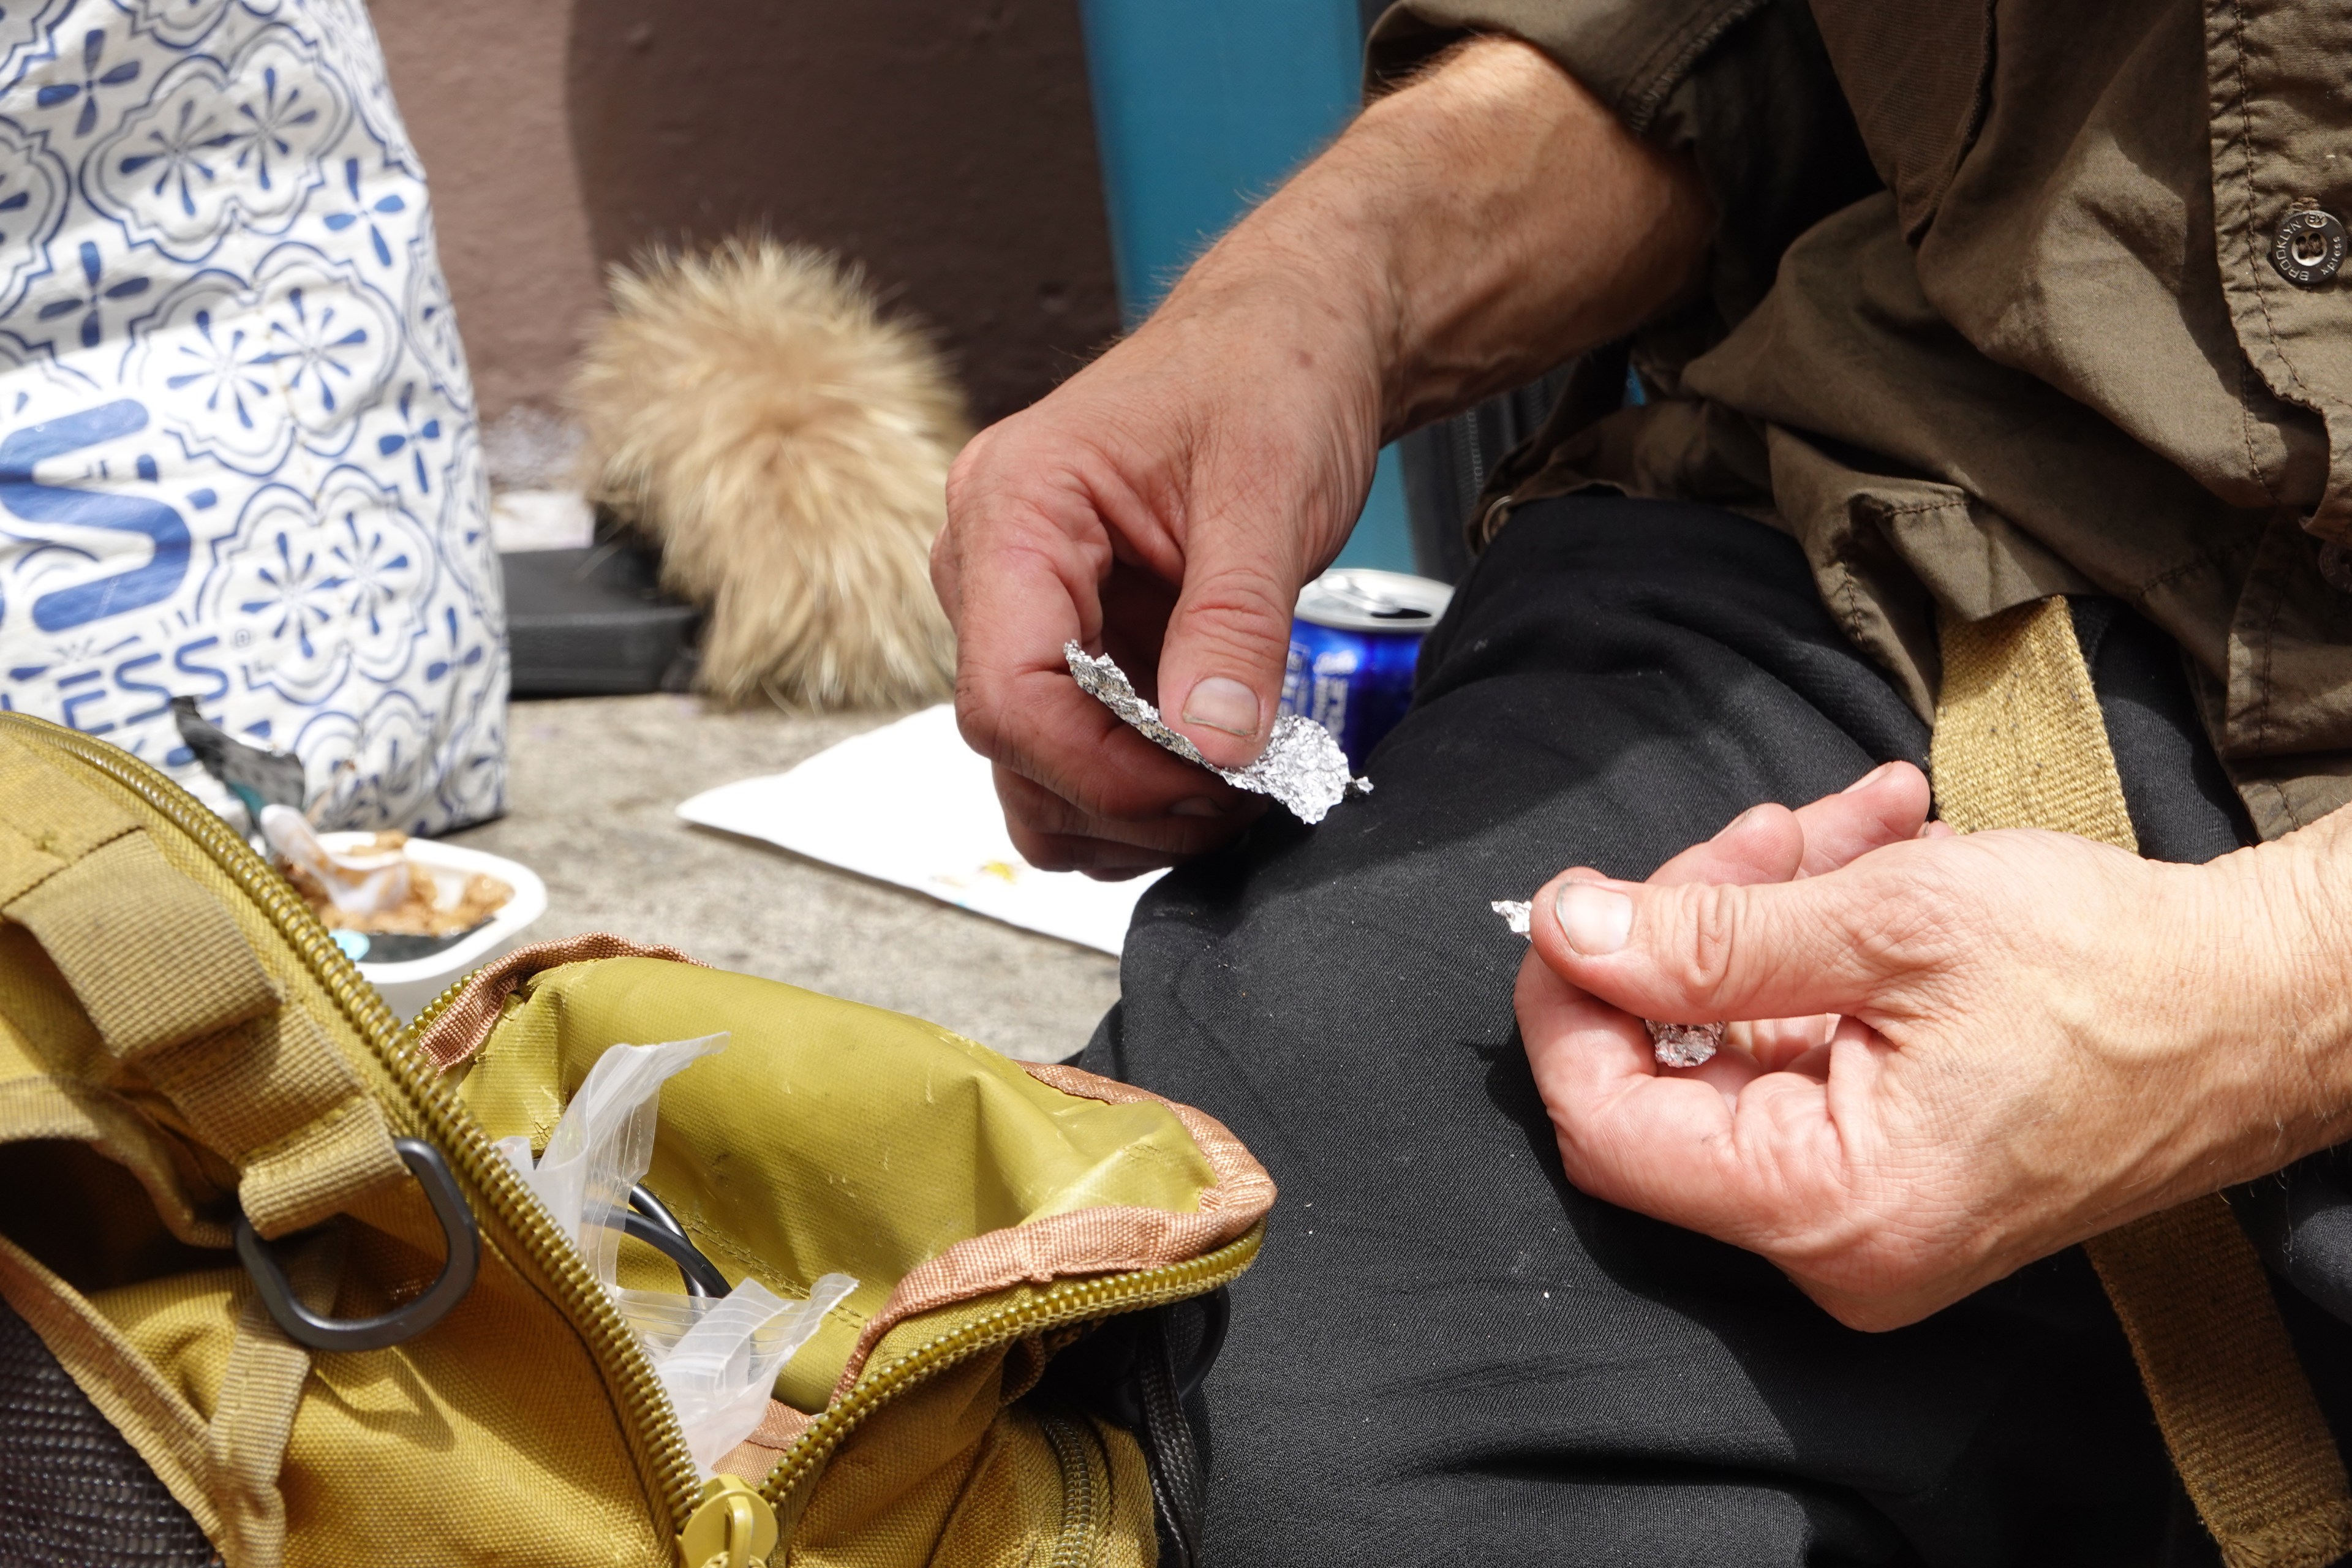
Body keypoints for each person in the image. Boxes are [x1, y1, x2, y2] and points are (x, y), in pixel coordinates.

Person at [932, 2, 2352, 1561]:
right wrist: (1330, 286)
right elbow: (1720, 43)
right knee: (1241, 1332)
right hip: (1921, 535)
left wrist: (2278, 986)